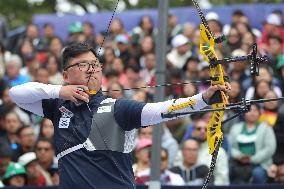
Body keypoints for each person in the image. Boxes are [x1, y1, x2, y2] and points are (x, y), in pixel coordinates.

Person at [9, 42, 230, 189]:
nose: (90, 69)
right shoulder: (57, 106)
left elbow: (162, 110)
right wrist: (59, 91)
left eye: (94, 64)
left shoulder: (117, 107)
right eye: (82, 64)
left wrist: (204, 99)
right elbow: (16, 94)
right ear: (66, 74)